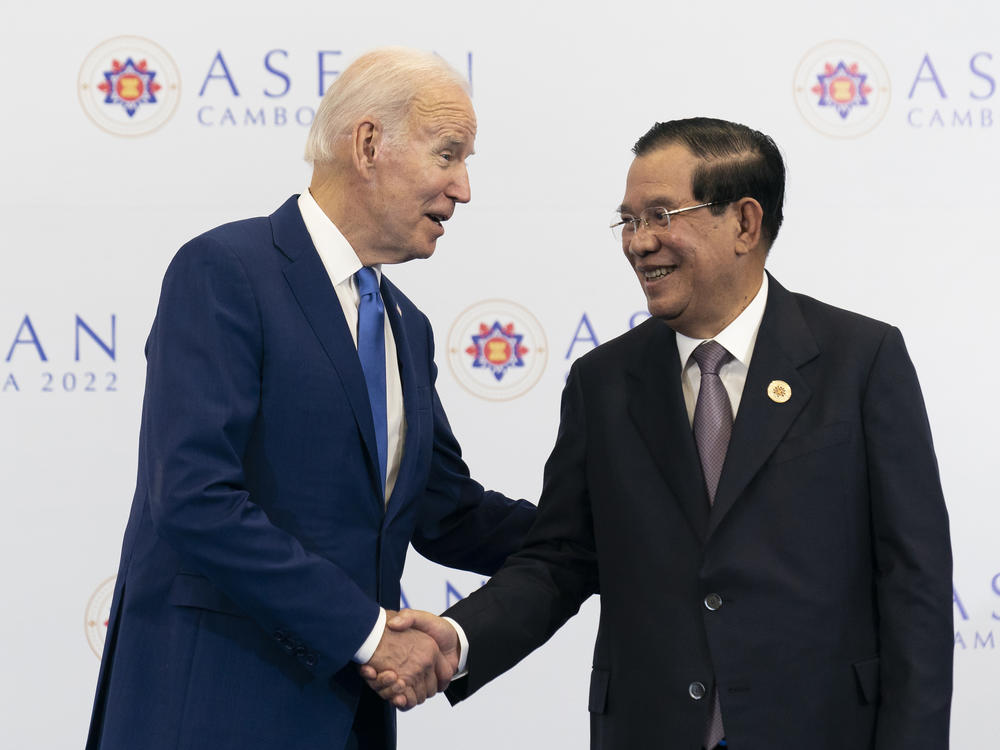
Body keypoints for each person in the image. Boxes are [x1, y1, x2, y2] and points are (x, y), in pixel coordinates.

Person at [366, 117, 954, 749]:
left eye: (661, 215)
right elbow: (561, 559)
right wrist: (456, 638)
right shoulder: (603, 381)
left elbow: (912, 582)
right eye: (629, 221)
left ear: (745, 224)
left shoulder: (860, 360)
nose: (638, 242)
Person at [85, 47, 536, 750]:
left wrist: (608, 535)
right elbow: (196, 496)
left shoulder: (405, 328)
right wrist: (368, 633)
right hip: (211, 713)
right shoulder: (226, 271)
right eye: (449, 154)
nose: (464, 188)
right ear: (367, 145)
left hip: (346, 724)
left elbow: (448, 513)